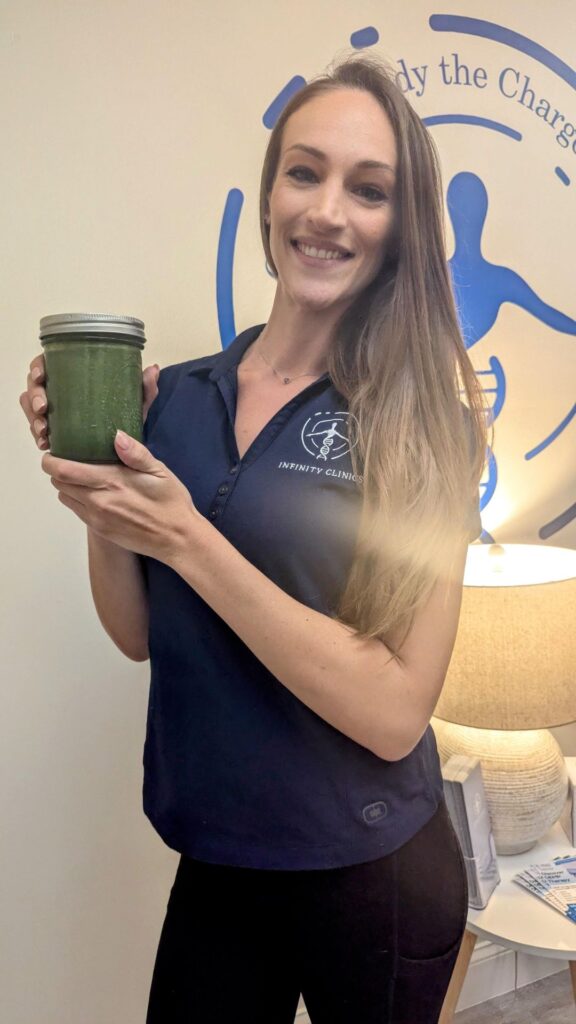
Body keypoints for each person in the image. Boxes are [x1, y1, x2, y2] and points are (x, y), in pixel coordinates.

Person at [20, 54, 488, 1024]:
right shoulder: (178, 397)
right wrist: (102, 510)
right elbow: (139, 634)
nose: (325, 211)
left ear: (402, 226)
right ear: (271, 191)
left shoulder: (421, 426)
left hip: (374, 871)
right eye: (304, 172)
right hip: (221, 856)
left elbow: (396, 710)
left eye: (369, 189)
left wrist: (191, 538)